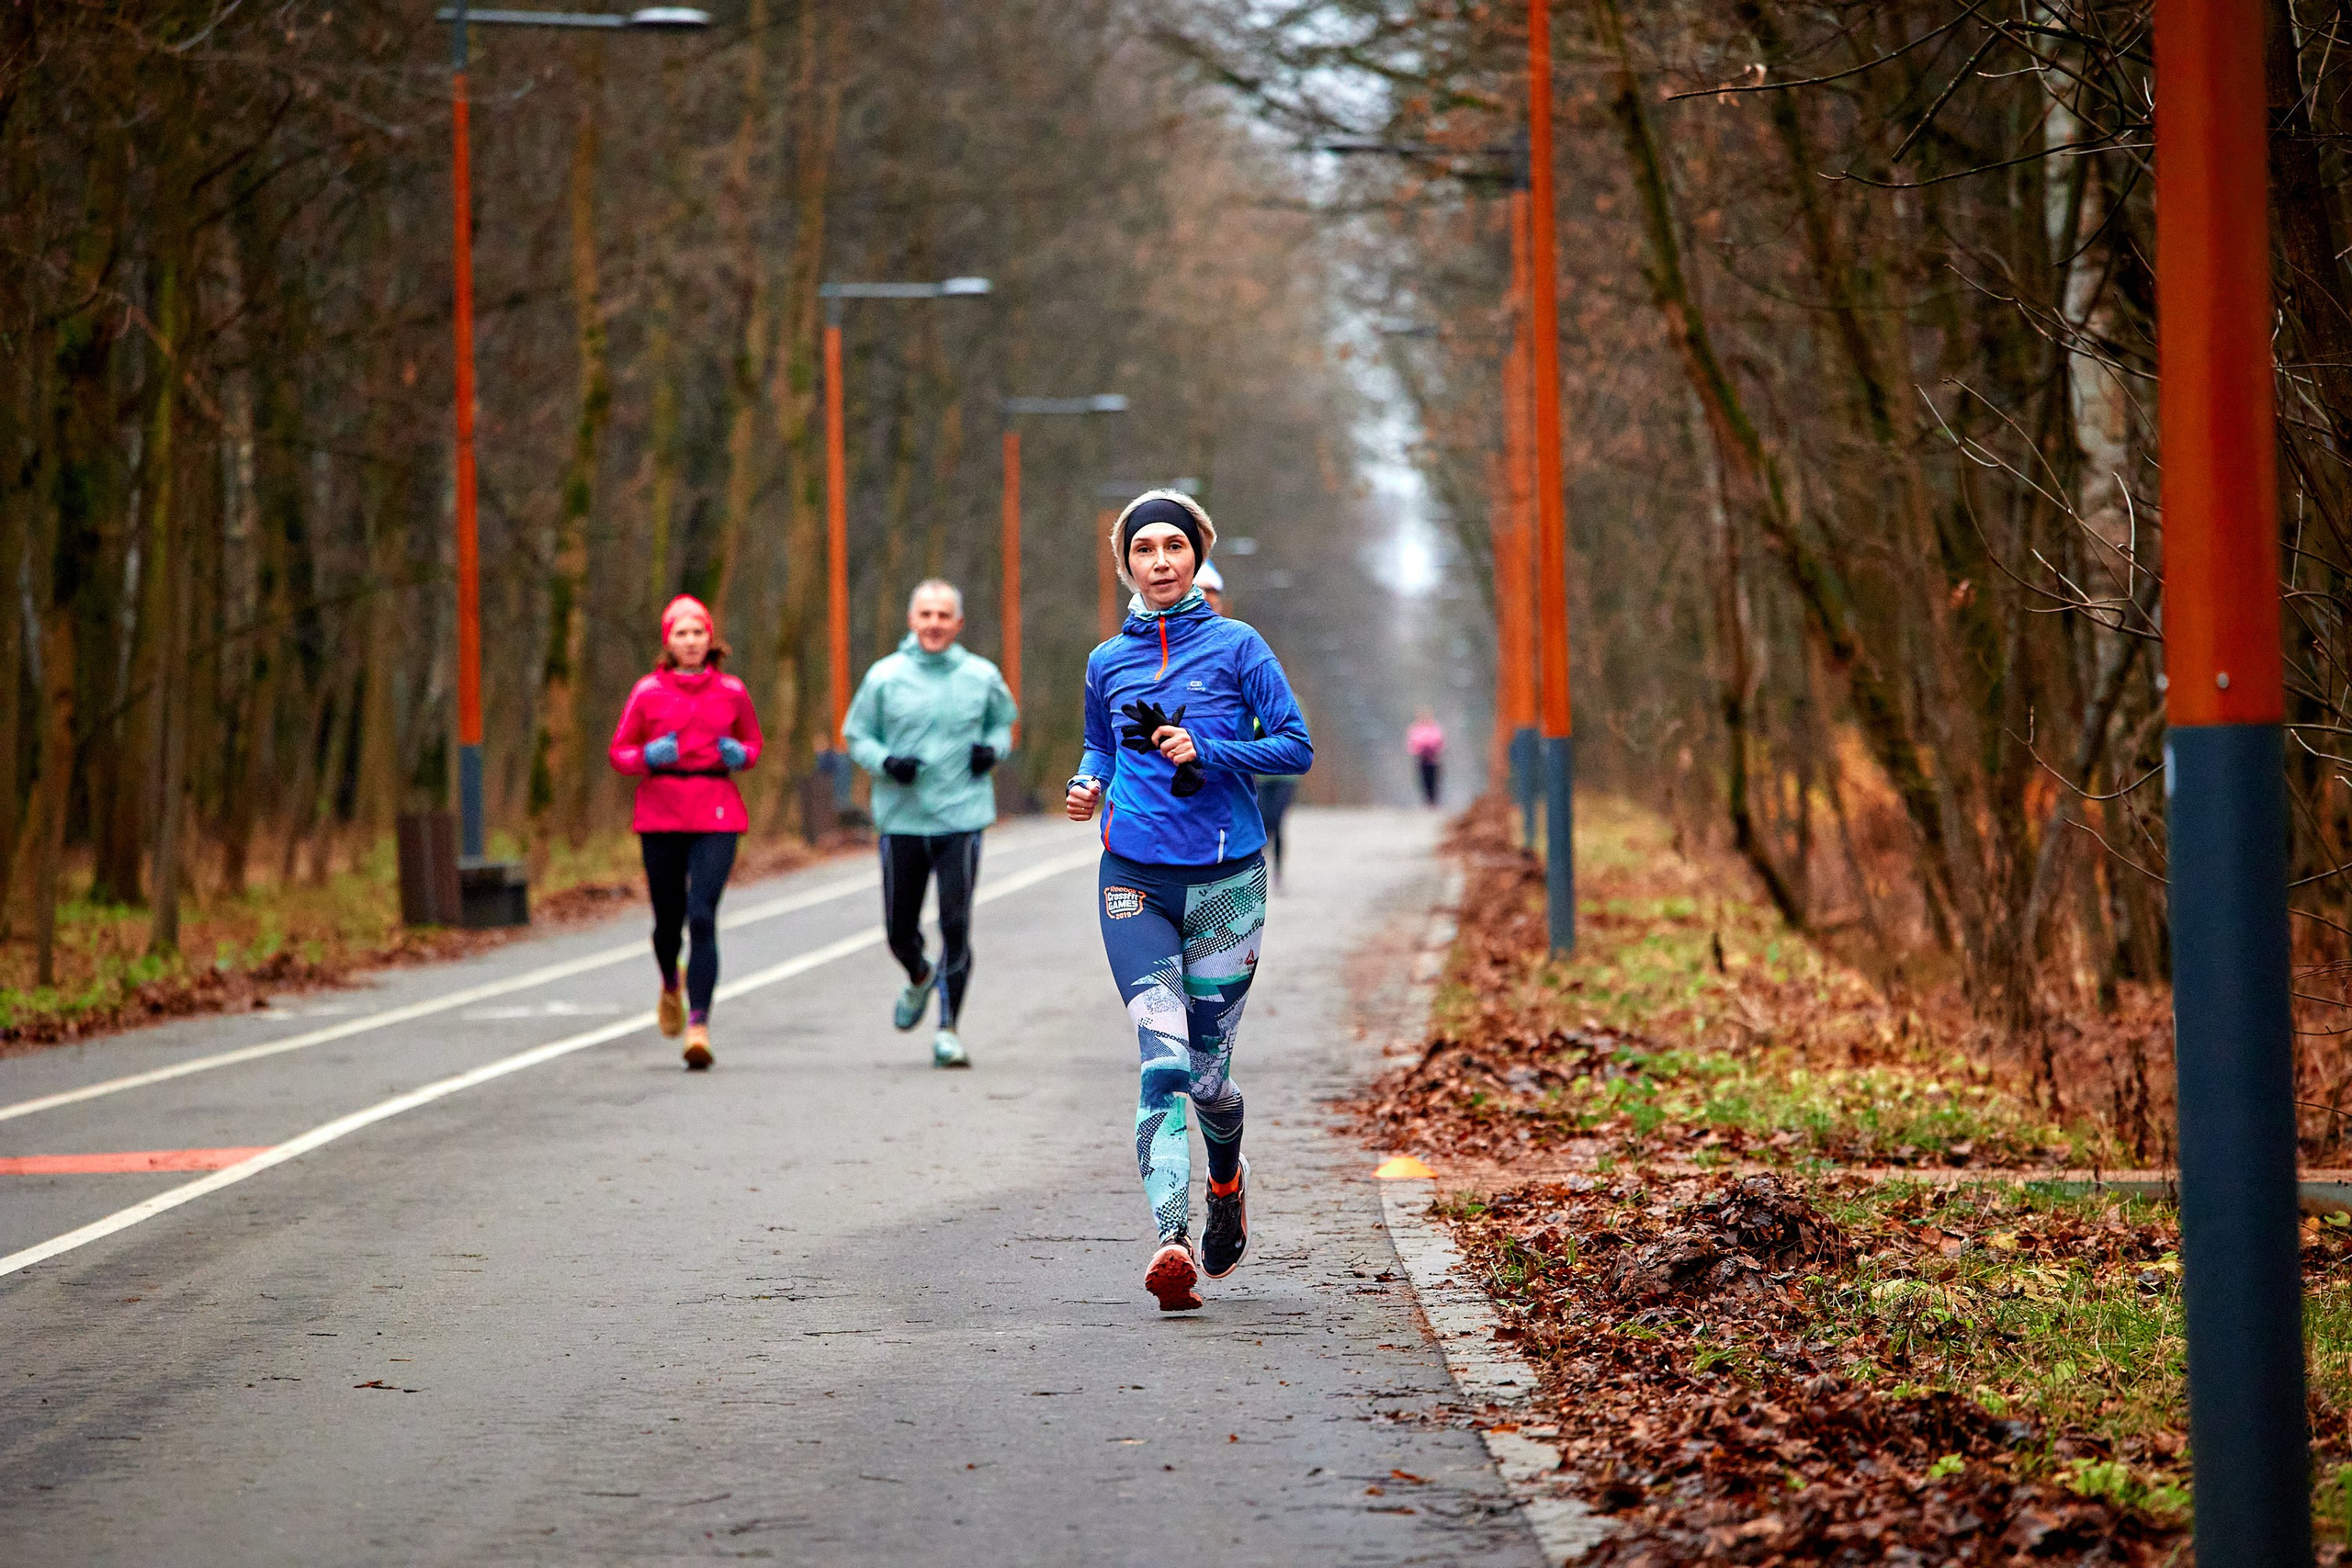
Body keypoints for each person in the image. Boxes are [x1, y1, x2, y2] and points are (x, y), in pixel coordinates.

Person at [1067, 491, 1312, 1312]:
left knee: (1210, 1077)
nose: (1161, 560)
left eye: (1175, 545)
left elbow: (1296, 746)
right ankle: (1170, 1238)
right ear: (1127, 564)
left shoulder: (1240, 647)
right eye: (1145, 549)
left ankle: (1227, 1181)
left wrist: (1211, 748)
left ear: (1196, 555)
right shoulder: (1107, 660)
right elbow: (1101, 741)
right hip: (1133, 874)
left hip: (1227, 881)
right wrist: (1087, 782)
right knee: (1162, 1058)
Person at [844, 579, 1018, 1069]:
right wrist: (885, 761)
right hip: (902, 818)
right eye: (926, 615)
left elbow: (1004, 722)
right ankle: (920, 976)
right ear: (911, 620)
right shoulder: (884, 677)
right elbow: (856, 735)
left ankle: (948, 1030)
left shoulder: (981, 675)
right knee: (899, 931)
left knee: (956, 924)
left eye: (944, 615)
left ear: (958, 624)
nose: (934, 624)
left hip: (961, 817)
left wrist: (994, 750)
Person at [609, 595, 763, 1070]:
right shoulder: (647, 692)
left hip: (716, 809)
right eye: (682, 634)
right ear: (668, 642)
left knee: (702, 915)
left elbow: (754, 742)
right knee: (667, 921)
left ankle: (699, 1024)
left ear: (710, 639)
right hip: (661, 810)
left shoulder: (732, 691)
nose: (692, 642)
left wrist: (741, 754)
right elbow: (620, 752)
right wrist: (646, 757)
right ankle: (670, 984)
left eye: (699, 633)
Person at [1407, 709, 1444, 807]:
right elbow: (1412, 744)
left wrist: (1433, 748)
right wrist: (1419, 750)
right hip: (1422, 759)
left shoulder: (1435, 728)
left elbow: (1440, 742)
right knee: (1424, 780)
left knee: (1434, 779)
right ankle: (1428, 801)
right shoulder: (1415, 729)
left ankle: (1434, 801)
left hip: (1433, 758)